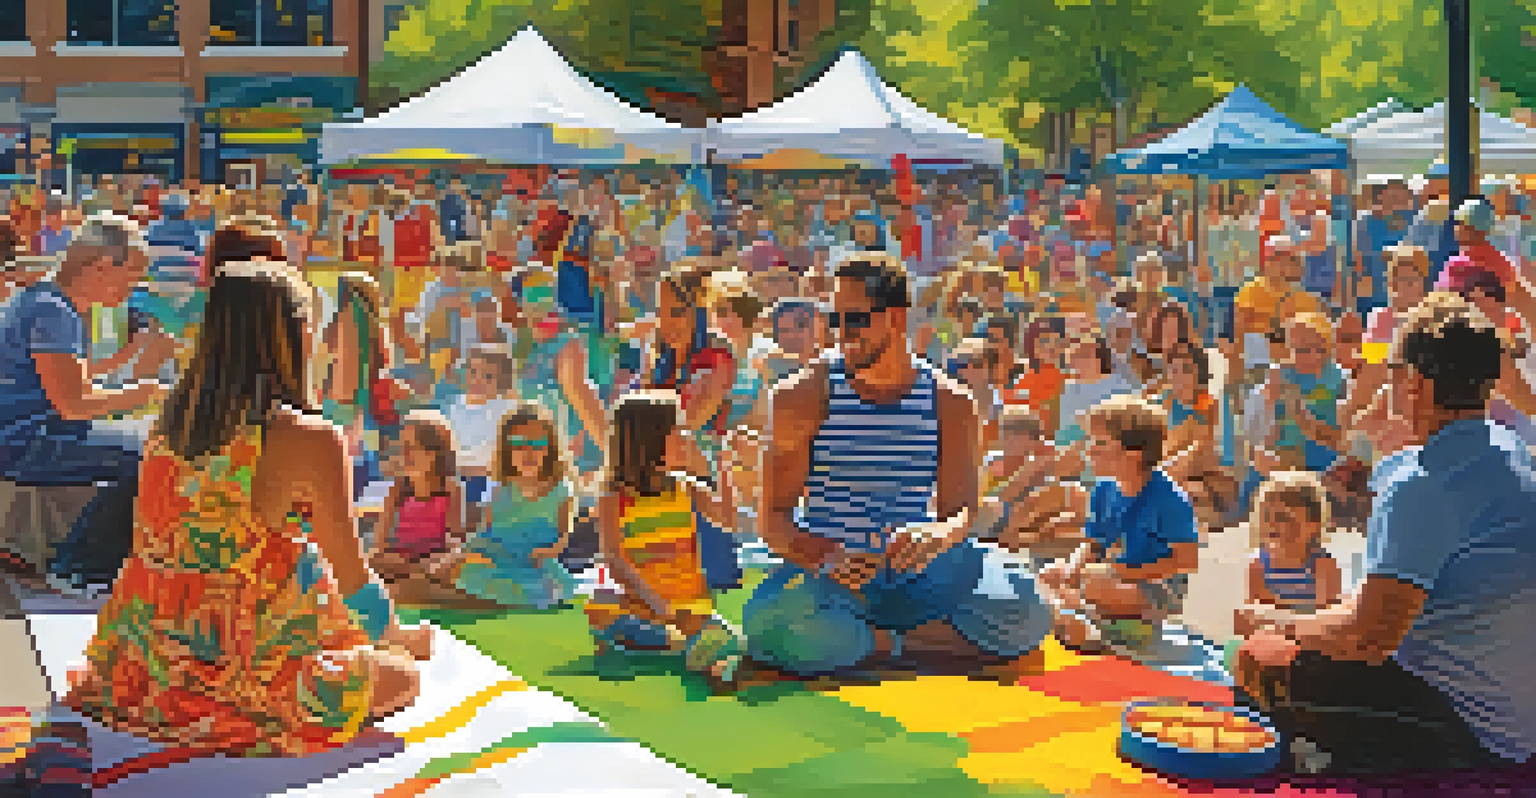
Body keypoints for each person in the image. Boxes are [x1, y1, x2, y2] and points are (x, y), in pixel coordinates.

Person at [64, 257, 425, 756]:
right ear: (293, 335)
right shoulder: (307, 437)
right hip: (245, 674)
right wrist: (395, 638)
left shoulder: (172, 420)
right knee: (402, 678)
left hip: (142, 672)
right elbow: (350, 573)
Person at [1238, 293, 1536, 774]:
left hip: (1468, 731)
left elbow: (1367, 638)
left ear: (1414, 382)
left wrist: (1281, 625)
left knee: (1260, 658)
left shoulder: (1425, 483)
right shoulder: (1508, 447)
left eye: (1391, 371)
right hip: (1516, 718)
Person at [742, 254, 1052, 679]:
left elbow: (961, 512)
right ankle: (908, 643)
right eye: (835, 320)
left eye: (855, 320)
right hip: (835, 580)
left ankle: (866, 642)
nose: (842, 335)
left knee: (1027, 607)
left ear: (896, 318)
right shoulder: (800, 397)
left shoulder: (952, 402)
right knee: (766, 622)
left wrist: (939, 532)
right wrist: (829, 557)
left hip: (920, 572)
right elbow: (773, 521)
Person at [0, 215, 178, 594]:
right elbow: (74, 404)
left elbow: (64, 379)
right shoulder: (54, 312)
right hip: (29, 442)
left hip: (27, 434)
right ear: (101, 266)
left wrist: (129, 365)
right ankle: (78, 568)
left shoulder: (43, 301)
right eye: (132, 277)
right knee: (156, 452)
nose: (133, 290)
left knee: (152, 442)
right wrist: (151, 391)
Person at [584, 391, 744, 685]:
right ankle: (687, 649)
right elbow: (615, 561)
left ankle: (694, 652)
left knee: (725, 636)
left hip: (686, 604)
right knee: (603, 605)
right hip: (641, 602)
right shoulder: (613, 498)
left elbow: (730, 521)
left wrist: (725, 467)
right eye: (678, 432)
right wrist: (659, 607)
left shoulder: (688, 487)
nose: (686, 439)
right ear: (648, 443)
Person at [1037, 396, 1200, 652]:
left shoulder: (1169, 498)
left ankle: (1075, 618)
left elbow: (1187, 561)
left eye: (1100, 443)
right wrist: (1072, 569)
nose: (1089, 451)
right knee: (1049, 574)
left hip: (1155, 587)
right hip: (1110, 575)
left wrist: (1126, 573)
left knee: (1094, 585)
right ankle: (1080, 618)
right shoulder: (1103, 489)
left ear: (1133, 454)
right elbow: (1092, 542)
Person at [452, 406, 576, 610]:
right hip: (499, 557)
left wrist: (549, 551)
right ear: (506, 450)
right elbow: (485, 532)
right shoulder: (499, 489)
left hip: (534, 563)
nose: (528, 452)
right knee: (464, 566)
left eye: (537, 444)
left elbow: (564, 535)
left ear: (550, 448)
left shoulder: (560, 490)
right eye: (518, 444)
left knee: (542, 587)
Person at [370, 411, 467, 605]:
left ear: (433, 454)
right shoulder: (397, 490)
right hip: (400, 564)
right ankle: (410, 590)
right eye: (401, 448)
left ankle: (403, 591)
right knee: (370, 562)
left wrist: (426, 566)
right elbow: (379, 547)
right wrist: (403, 564)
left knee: (453, 563)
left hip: (431, 566)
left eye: (411, 448)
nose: (403, 455)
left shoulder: (450, 489)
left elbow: (454, 542)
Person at [1235, 471, 1340, 638]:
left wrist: (1281, 618)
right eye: (1266, 517)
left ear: (1313, 525)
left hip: (1310, 639)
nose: (1273, 525)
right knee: (1242, 618)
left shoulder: (1321, 565)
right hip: (1276, 639)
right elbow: (1259, 613)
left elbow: (1327, 616)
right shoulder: (1260, 566)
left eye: (1284, 518)